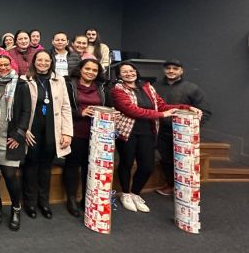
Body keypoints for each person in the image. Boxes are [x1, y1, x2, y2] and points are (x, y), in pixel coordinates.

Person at [112, 62, 201, 213]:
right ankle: (125, 194)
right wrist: (161, 114)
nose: (129, 73)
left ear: (136, 72)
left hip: (148, 131)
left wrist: (187, 107)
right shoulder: (118, 89)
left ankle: (135, 193)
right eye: (124, 72)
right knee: (126, 163)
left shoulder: (148, 87)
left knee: (147, 166)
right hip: (127, 132)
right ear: (119, 75)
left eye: (131, 70)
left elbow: (162, 106)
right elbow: (132, 110)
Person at [21, 50, 73, 219]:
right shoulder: (25, 80)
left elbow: (66, 107)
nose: (43, 63)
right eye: (39, 60)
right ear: (34, 62)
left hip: (53, 128)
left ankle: (44, 202)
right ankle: (30, 202)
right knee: (31, 165)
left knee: (46, 166)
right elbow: (19, 108)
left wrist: (67, 132)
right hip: (32, 129)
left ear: (51, 62)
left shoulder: (59, 80)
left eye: (46, 60)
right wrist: (24, 129)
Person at [154, 59, 212, 196]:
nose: (171, 71)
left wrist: (193, 129)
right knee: (166, 160)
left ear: (181, 71)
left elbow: (205, 111)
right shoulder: (155, 87)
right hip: (162, 132)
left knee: (185, 161)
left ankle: (185, 191)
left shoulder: (192, 88)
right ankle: (170, 185)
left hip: (185, 133)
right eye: (168, 68)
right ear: (164, 70)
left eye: (175, 68)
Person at [0, 55, 32, 231]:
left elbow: (26, 111)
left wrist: (19, 134)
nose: (3, 67)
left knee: (9, 175)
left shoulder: (21, 85)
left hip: (11, 138)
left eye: (6, 64)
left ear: (11, 65)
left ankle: (15, 207)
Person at [63, 58, 109, 217]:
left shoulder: (102, 87)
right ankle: (71, 199)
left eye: (94, 70)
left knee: (90, 167)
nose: (90, 72)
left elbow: (109, 106)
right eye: (87, 69)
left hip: (97, 134)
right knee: (72, 165)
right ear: (80, 69)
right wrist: (79, 113)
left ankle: (86, 198)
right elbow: (63, 107)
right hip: (75, 131)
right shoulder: (69, 85)